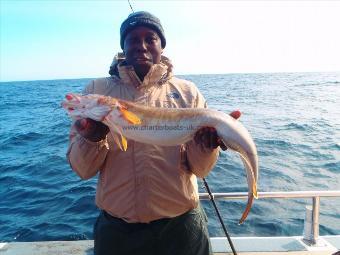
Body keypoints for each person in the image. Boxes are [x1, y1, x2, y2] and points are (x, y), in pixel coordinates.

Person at [67, 11, 240, 255]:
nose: (142, 46)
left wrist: (205, 146)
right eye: (133, 39)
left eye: (151, 38)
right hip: (117, 231)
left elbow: (201, 170)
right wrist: (92, 138)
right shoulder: (97, 90)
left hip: (181, 228)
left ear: (162, 45)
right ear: (123, 47)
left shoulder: (187, 92)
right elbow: (83, 170)